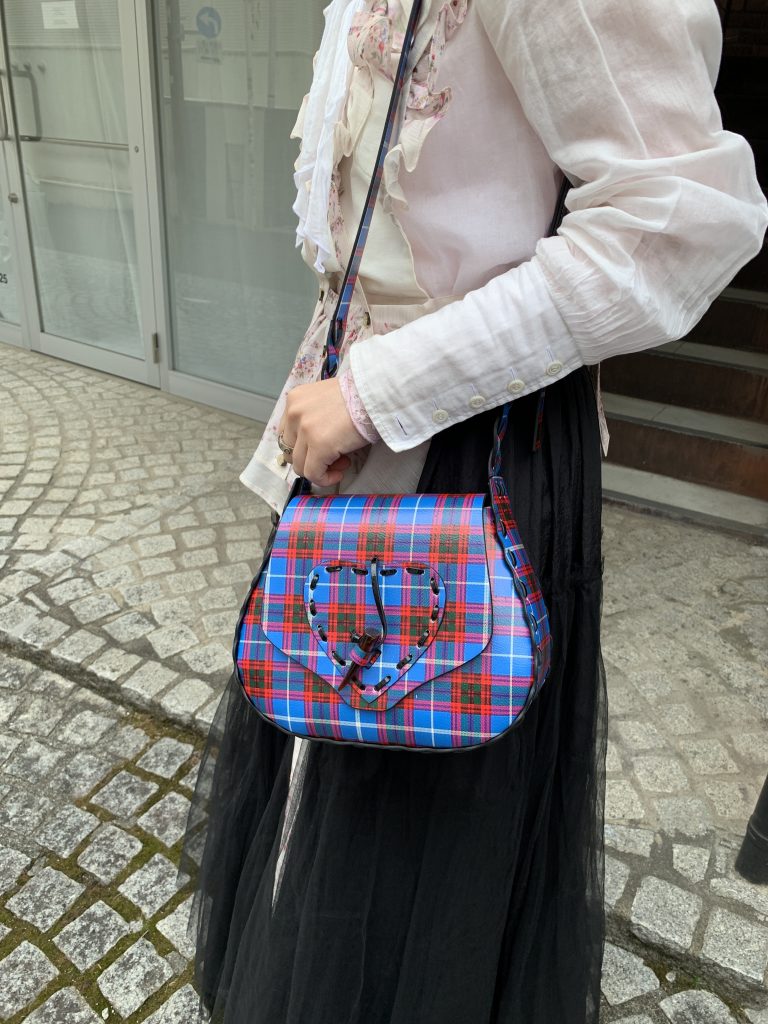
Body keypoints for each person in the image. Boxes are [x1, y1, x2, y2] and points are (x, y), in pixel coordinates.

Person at [181, 2, 768, 1022]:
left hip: (468, 458)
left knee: (416, 836)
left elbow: (679, 222)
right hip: (356, 439)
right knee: (329, 805)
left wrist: (377, 390)